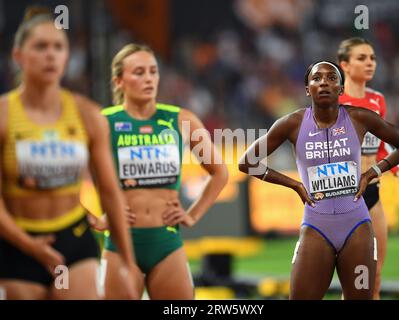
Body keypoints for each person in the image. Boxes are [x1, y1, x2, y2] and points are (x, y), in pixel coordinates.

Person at [239, 61, 399, 299]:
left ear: (341, 89)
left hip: (357, 227)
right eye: (317, 78)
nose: (324, 82)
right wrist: (294, 184)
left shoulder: (360, 118)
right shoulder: (293, 123)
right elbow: (247, 162)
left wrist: (372, 172)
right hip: (315, 226)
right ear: (307, 89)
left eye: (332, 78)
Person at [0, 7, 137, 300]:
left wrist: (127, 262)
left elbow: (110, 193)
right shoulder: (3, 117)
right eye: (40, 47)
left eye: (58, 47)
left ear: (67, 57)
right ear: (18, 56)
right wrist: (30, 246)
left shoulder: (87, 115)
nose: (51, 55)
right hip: (17, 244)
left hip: (74, 241)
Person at [94, 43, 228, 299]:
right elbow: (68, 177)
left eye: (153, 71)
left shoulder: (181, 119)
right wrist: (95, 219)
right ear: (119, 81)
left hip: (167, 245)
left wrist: (193, 215)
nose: (149, 79)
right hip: (121, 245)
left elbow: (220, 173)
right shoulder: (103, 121)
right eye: (139, 72)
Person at [337, 37, 399, 299]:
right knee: (350, 277)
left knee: (375, 273)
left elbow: (382, 147)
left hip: (372, 193)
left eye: (372, 57)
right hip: (342, 197)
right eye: (361, 58)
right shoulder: (333, 102)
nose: (370, 63)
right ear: (345, 65)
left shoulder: (377, 100)